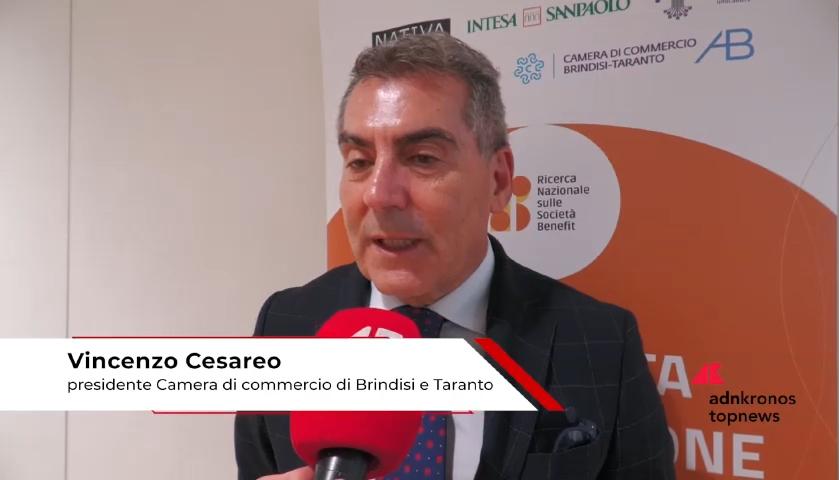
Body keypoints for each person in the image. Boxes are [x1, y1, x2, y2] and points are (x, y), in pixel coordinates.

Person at [235, 33, 674, 480]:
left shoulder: (602, 341)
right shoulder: (285, 324)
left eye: (422, 158)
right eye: (359, 162)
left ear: (499, 181)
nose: (379, 195)